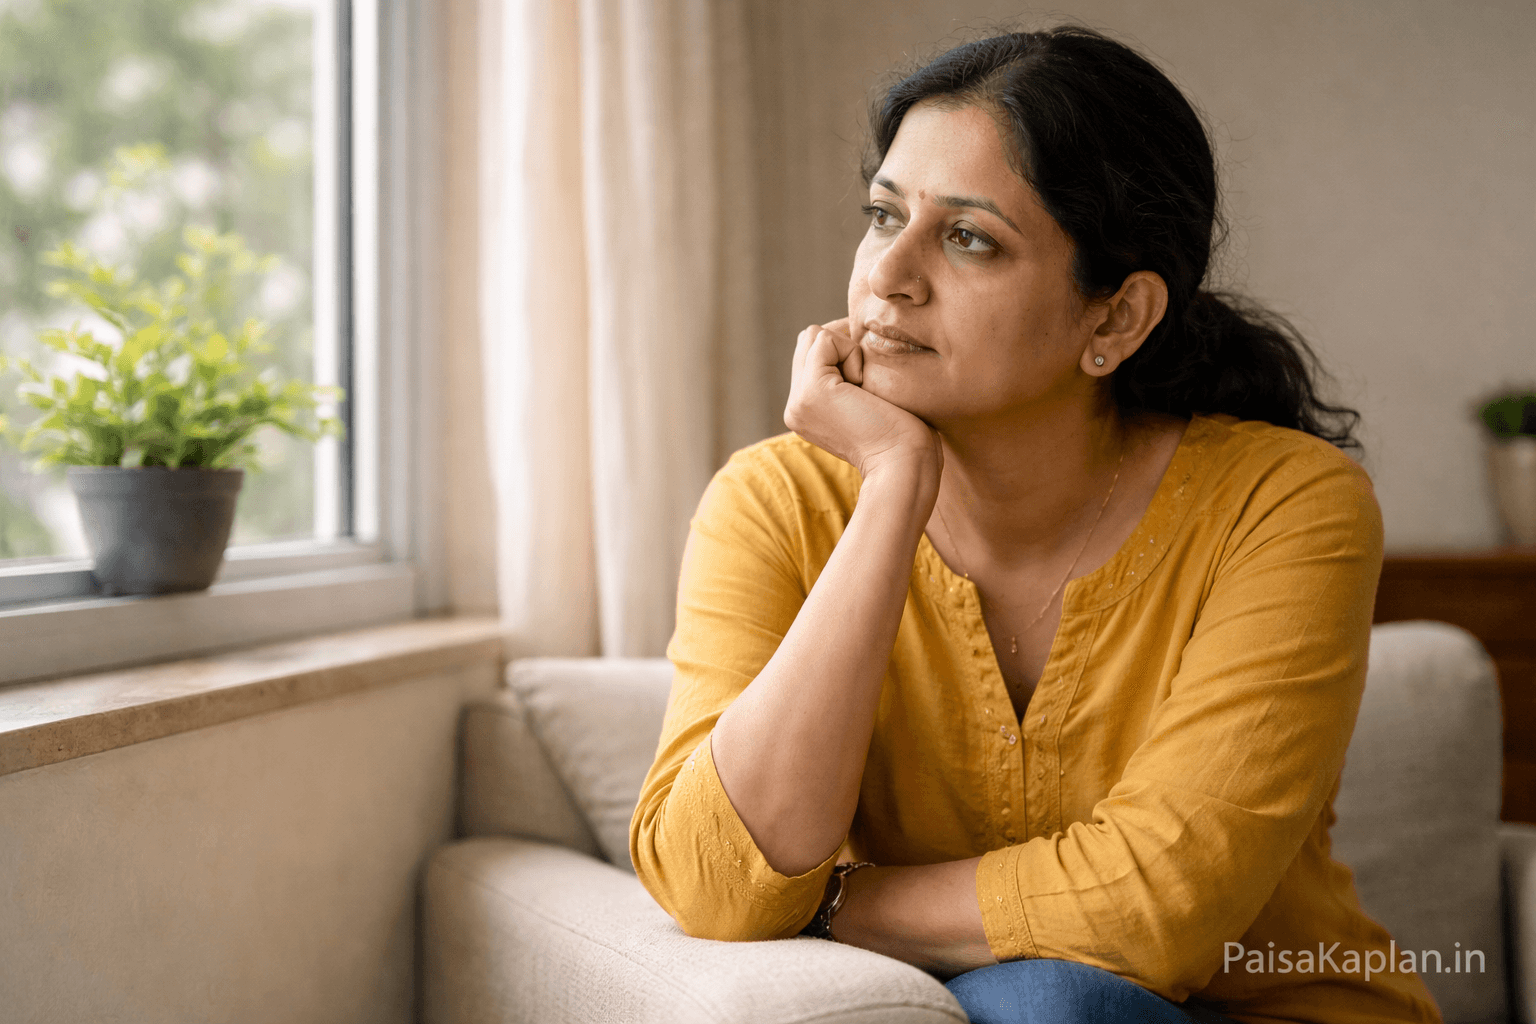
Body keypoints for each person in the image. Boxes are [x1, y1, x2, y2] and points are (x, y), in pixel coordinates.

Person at [629, 25, 1442, 1024]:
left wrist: (826, 902)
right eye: (884, 217)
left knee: (1052, 1001)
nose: (890, 275)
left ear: (1115, 320)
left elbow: (1161, 905)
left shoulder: (1288, 504)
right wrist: (891, 485)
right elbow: (715, 880)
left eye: (968, 238)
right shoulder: (775, 503)